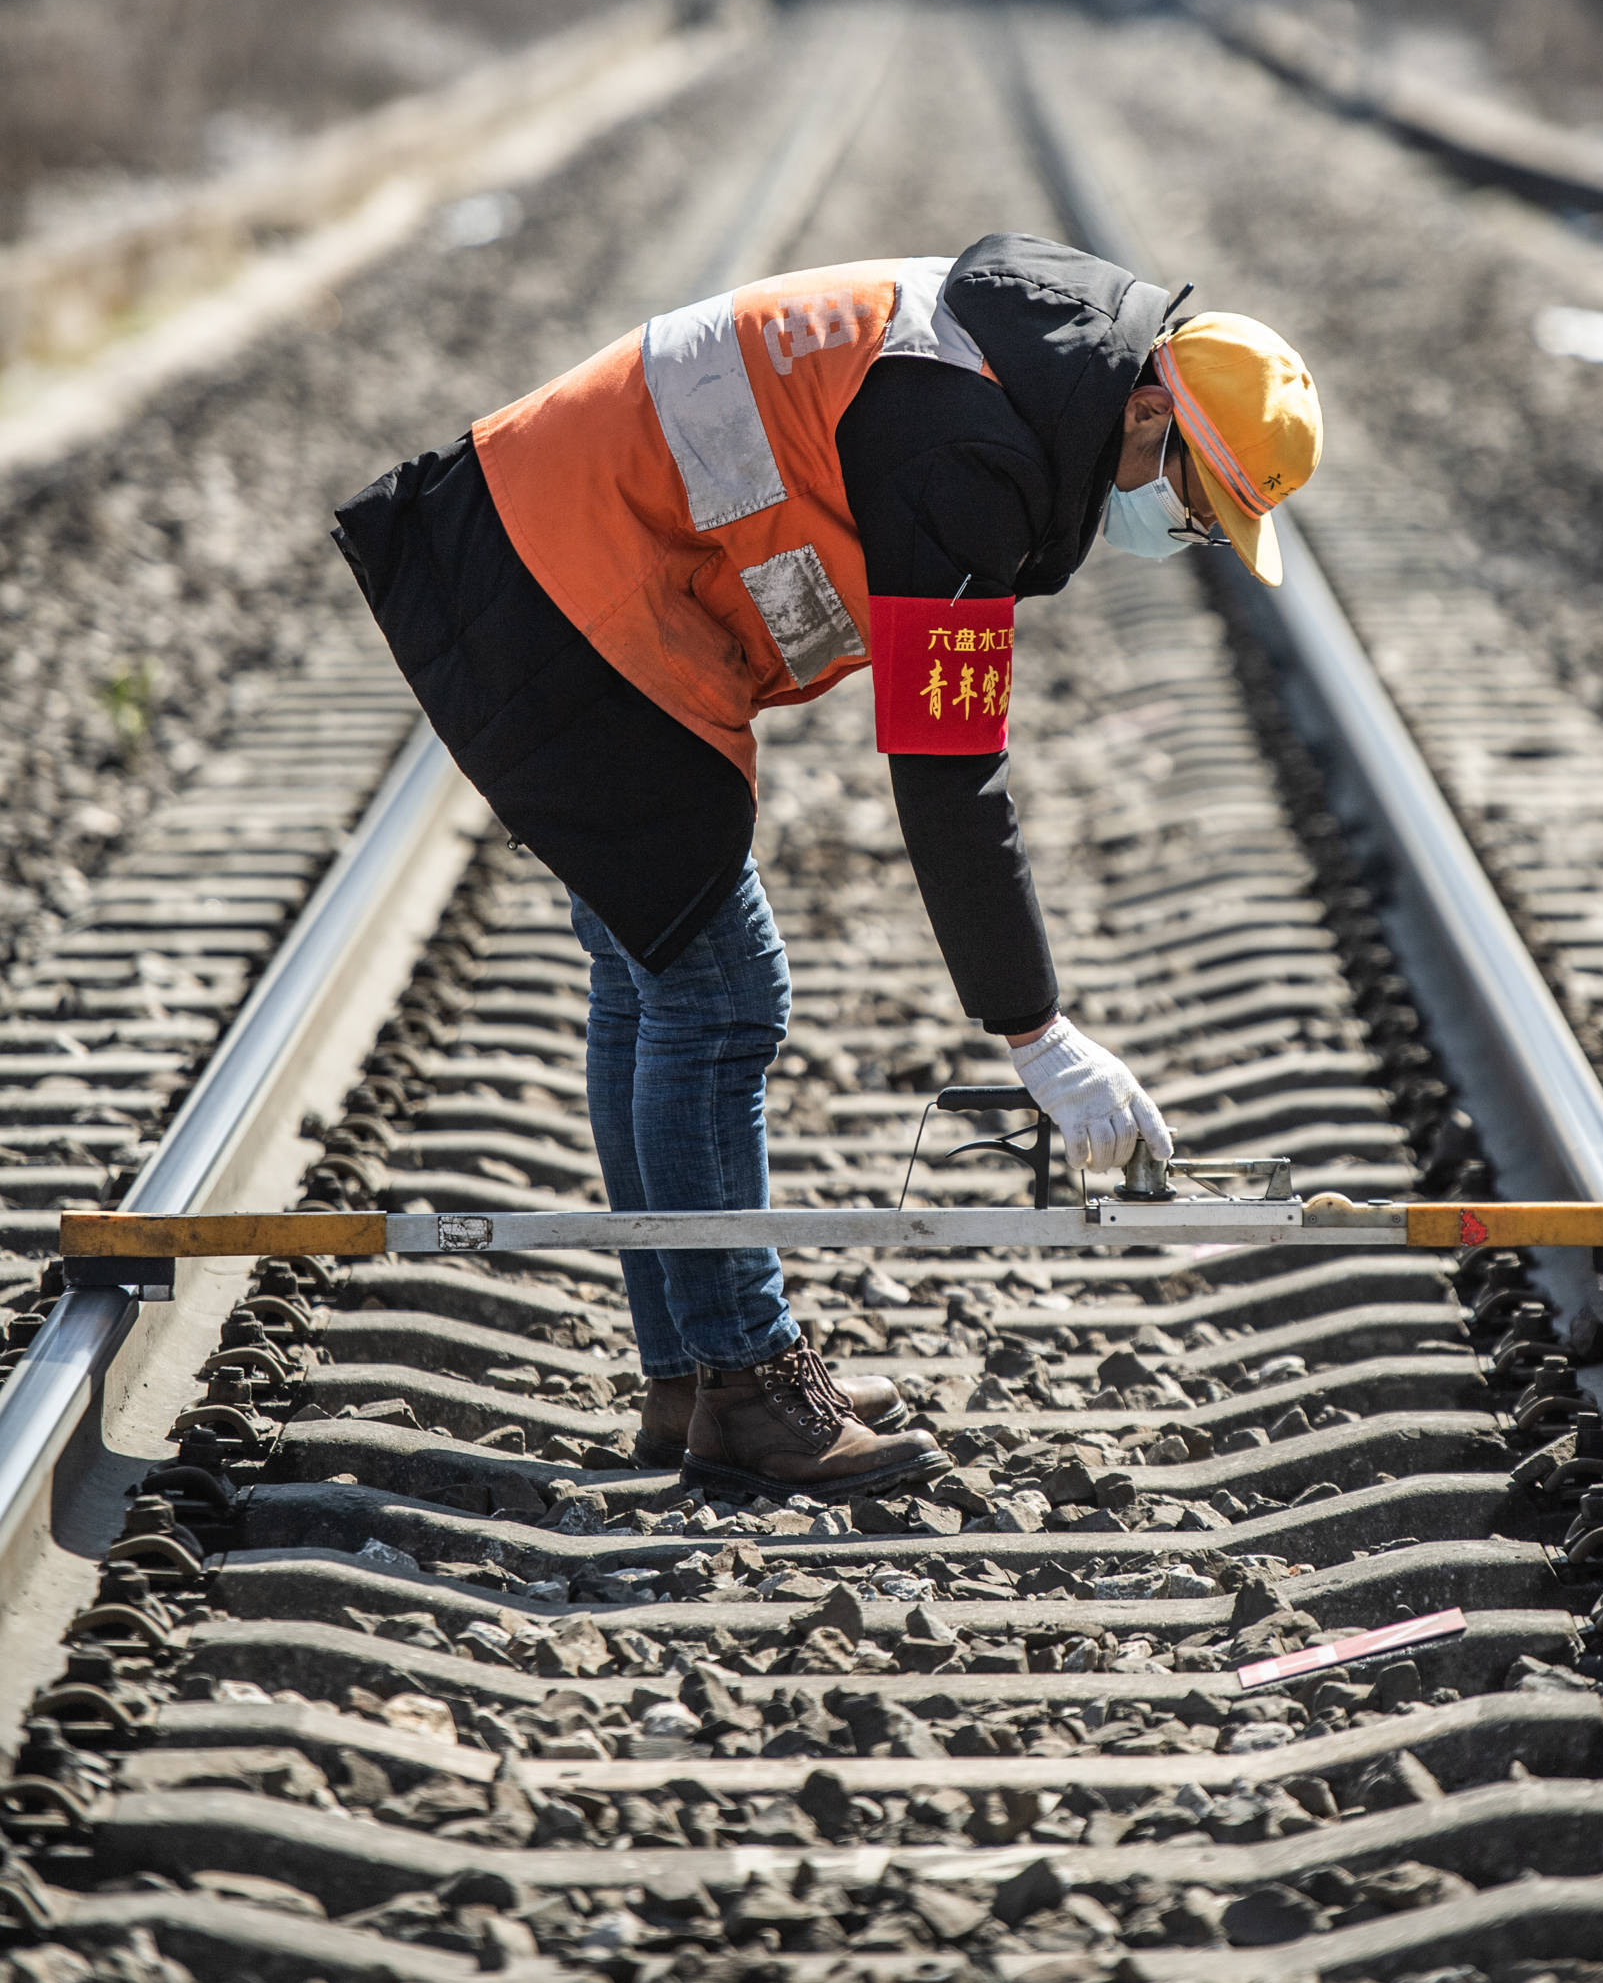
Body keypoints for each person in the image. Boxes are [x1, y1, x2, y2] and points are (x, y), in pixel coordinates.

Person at [333, 236, 1322, 1502]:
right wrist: (1036, 1035)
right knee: (722, 993)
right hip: (570, 588)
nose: (1174, 530)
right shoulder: (974, 451)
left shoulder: (1028, 355)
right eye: (1185, 500)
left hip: (558, 542)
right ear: (1145, 406)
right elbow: (947, 769)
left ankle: (691, 1371)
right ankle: (745, 1386)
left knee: (655, 985)